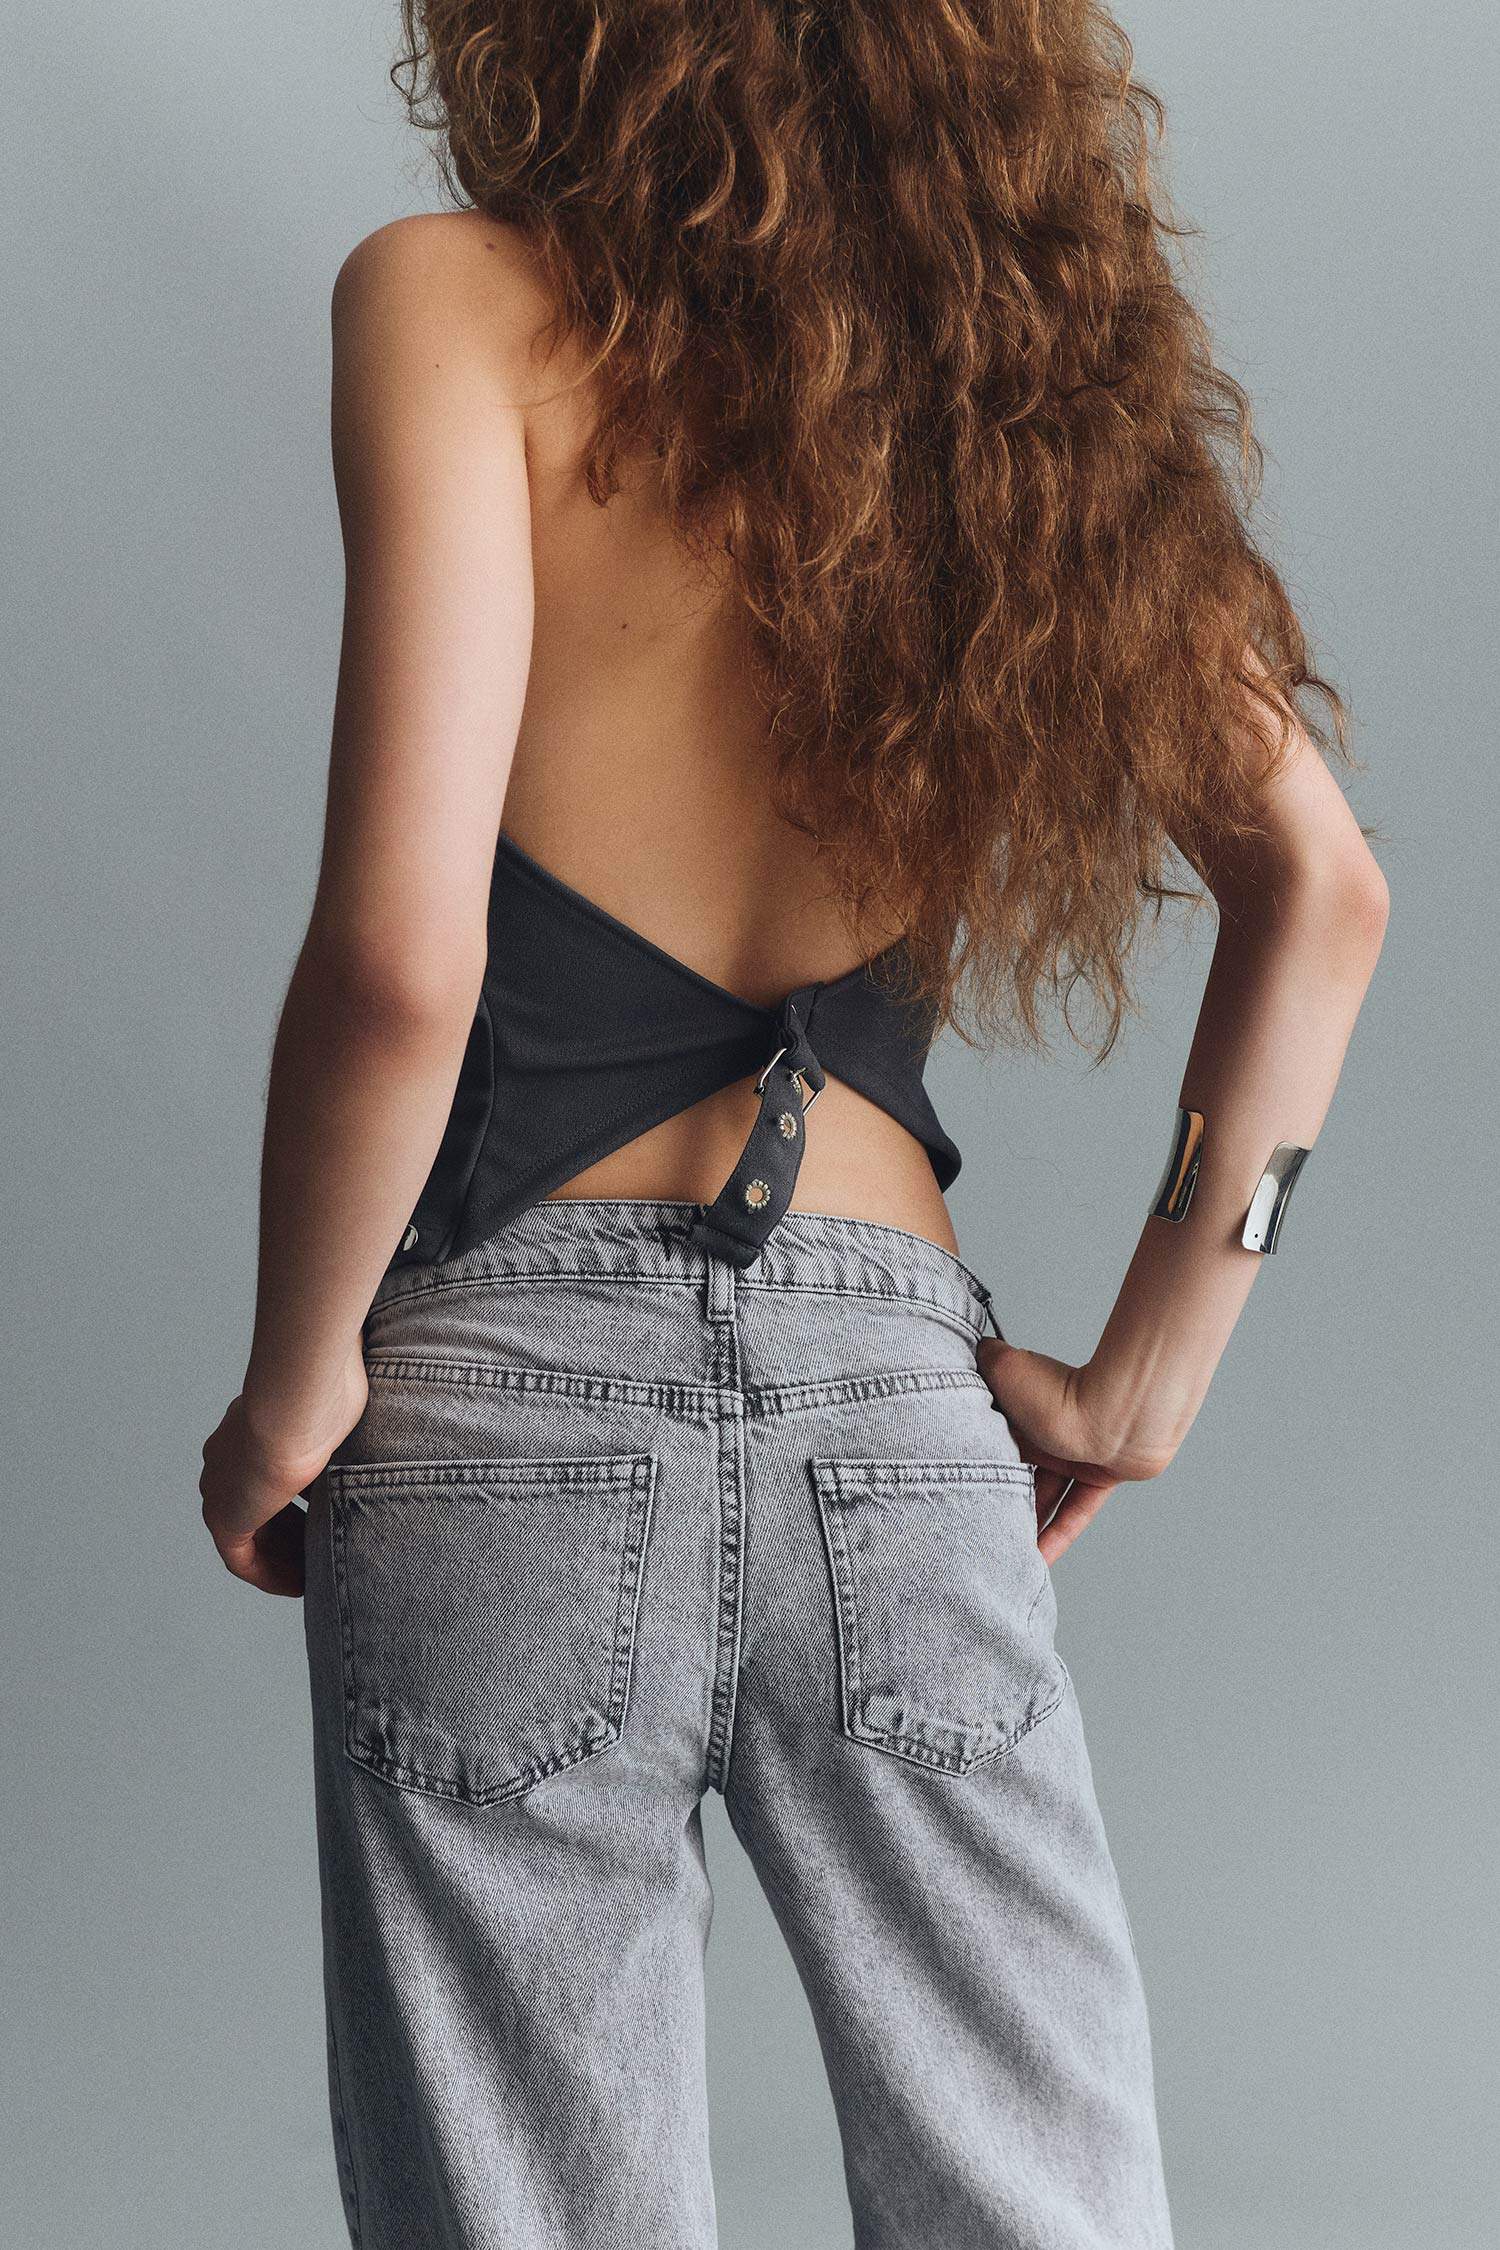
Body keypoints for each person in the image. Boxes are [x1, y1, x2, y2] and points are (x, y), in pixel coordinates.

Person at [198, 6, 1389, 2245]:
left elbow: (403, 972)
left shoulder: (452, 304)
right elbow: (1322, 890)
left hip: (499, 1408)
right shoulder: (1018, 399)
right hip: (894, 1418)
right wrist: (1141, 1385)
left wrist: (293, 1381)